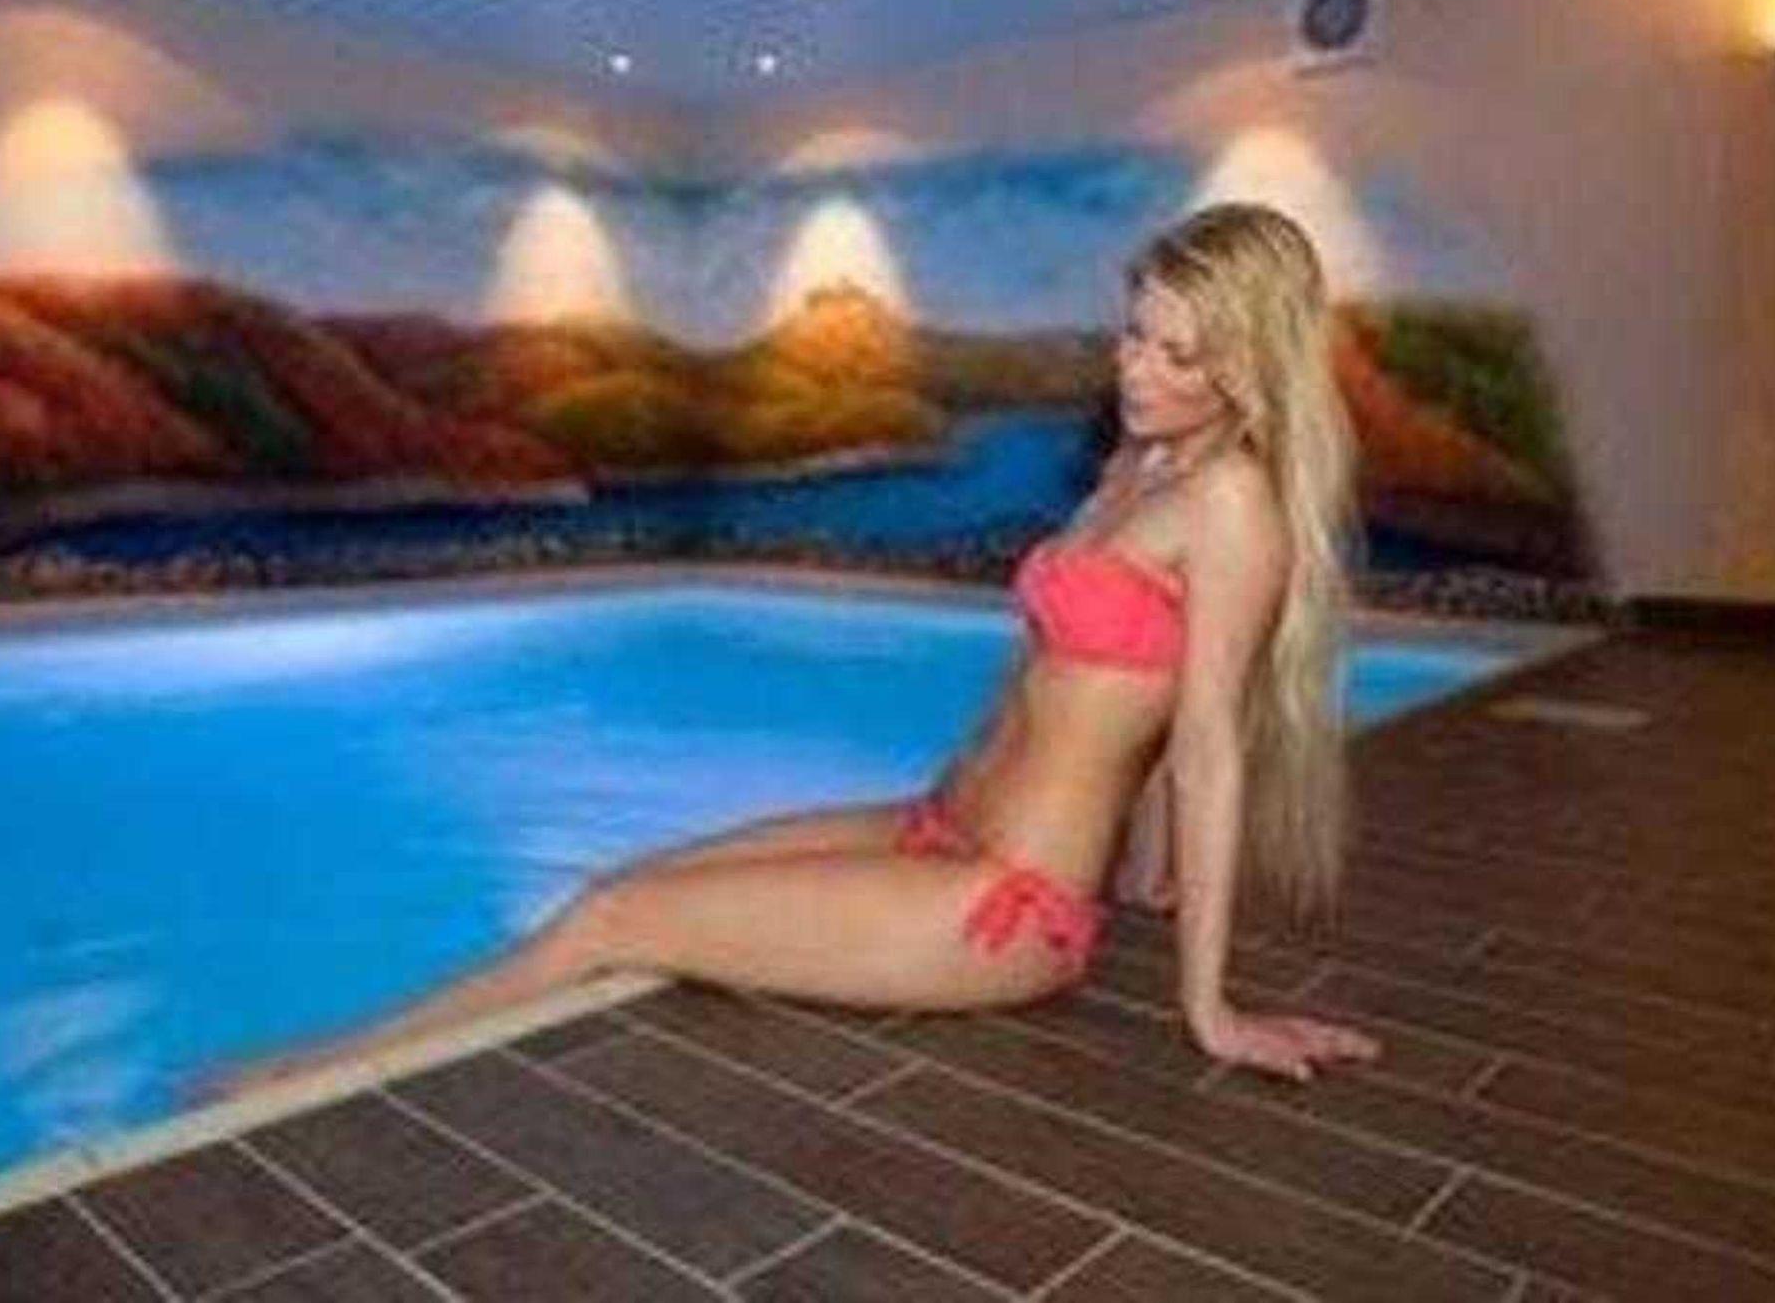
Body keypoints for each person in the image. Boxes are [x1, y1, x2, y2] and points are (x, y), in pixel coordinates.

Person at [217, 202, 1381, 1091]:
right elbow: (1119, 696)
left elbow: (1208, 735)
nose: (1136, 367)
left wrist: (1208, 1012)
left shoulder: (1232, 503)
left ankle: (318, 1069)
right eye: (1135, 333)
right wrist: (1150, 869)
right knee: (620, 887)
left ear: (1247, 365)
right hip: (933, 823)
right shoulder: (1142, 461)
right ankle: (353, 1048)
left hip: (1000, 905)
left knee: (609, 923)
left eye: (1179, 354)